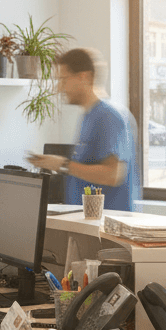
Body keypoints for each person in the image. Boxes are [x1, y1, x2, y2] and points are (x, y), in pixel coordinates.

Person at [26, 48, 141, 212]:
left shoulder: (110, 117)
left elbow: (113, 175)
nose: (58, 88)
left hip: (107, 227)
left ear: (83, 77)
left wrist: (62, 164)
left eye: (63, 80)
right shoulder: (88, 116)